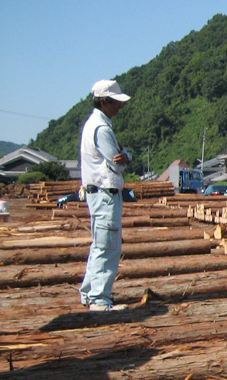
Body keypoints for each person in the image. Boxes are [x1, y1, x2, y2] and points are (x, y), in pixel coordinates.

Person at [79, 79, 132, 312]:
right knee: (107, 246)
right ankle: (100, 299)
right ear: (104, 101)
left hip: (97, 194)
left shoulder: (95, 124)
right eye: (116, 102)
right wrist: (126, 156)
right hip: (105, 194)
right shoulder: (101, 129)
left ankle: (88, 293)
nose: (120, 107)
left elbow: (118, 156)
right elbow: (117, 163)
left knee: (99, 244)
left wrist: (124, 154)